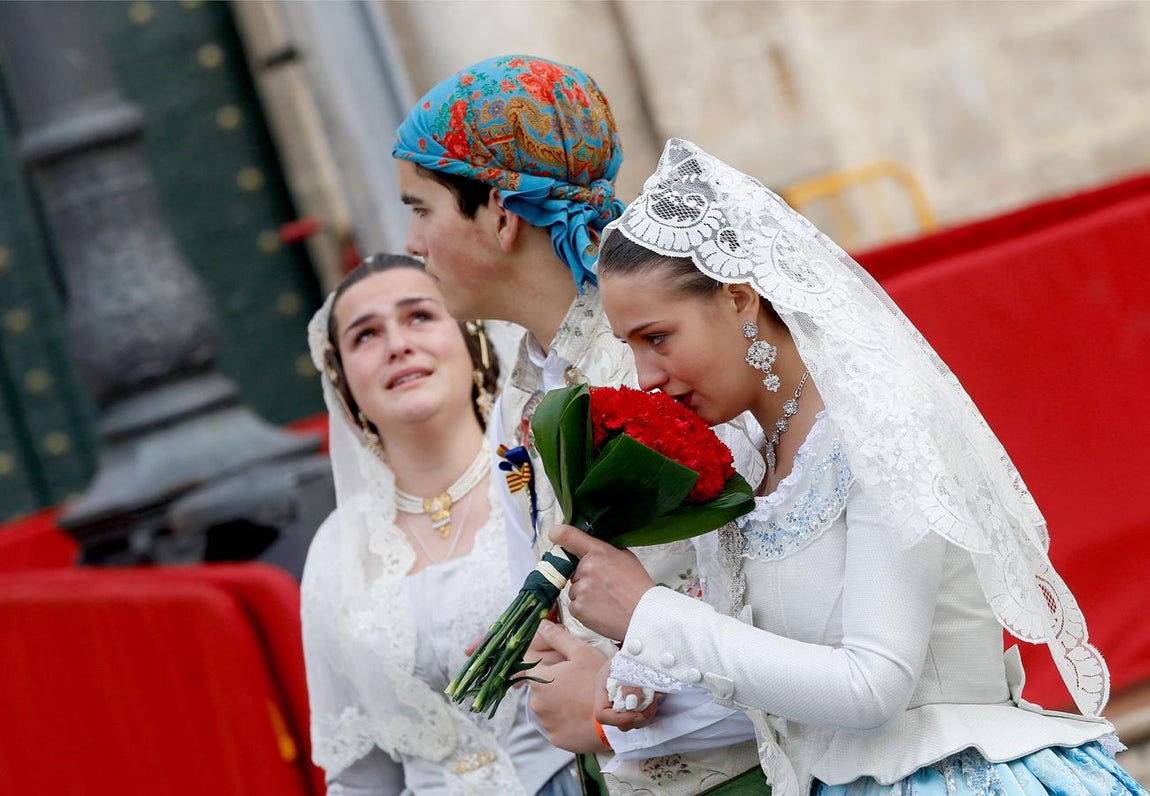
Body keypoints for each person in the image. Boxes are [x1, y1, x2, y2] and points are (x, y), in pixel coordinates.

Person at [552, 138, 1148, 795]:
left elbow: (872, 686)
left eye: (657, 337)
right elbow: (768, 673)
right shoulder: (750, 460)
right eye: (630, 346)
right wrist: (642, 680)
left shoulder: (881, 433)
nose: (646, 377)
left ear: (739, 299)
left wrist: (653, 614)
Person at [392, 56, 765, 794]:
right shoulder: (519, 395)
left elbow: (799, 639)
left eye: (420, 209)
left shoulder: (668, 374)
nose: (411, 243)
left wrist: (610, 704)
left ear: (499, 215)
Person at [300, 254, 580, 795]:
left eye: (420, 316)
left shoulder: (541, 482)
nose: (397, 344)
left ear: (472, 341)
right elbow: (361, 779)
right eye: (365, 335)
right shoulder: (338, 550)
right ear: (343, 382)